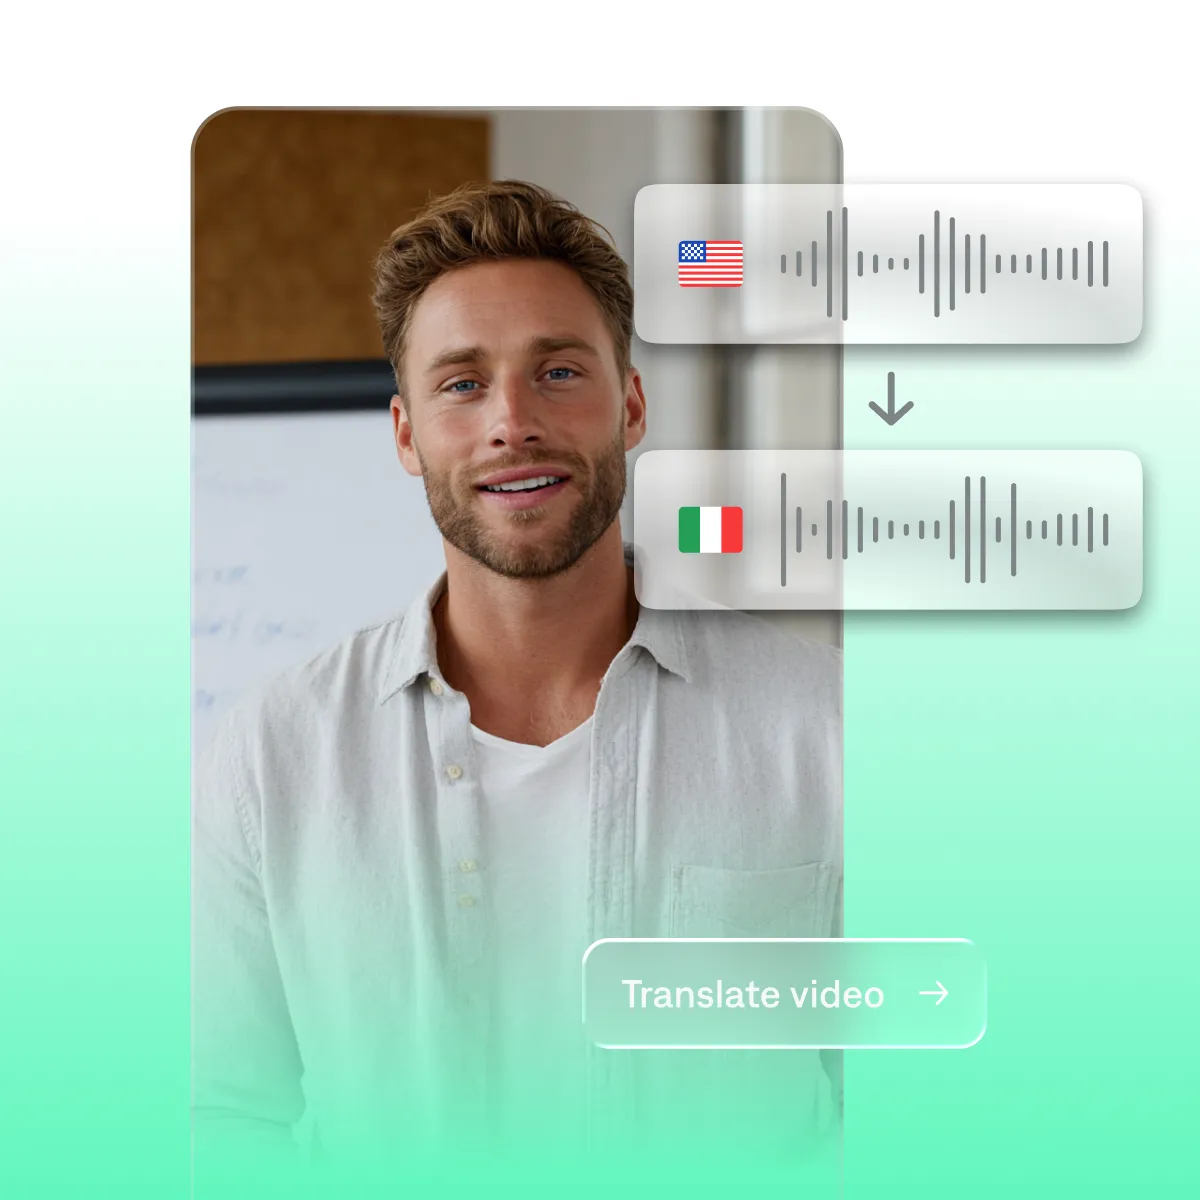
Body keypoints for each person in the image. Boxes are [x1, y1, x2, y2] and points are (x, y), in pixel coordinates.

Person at [192, 180, 842, 1186]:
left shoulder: (828, 729)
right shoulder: (270, 756)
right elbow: (222, 1120)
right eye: (462, 384)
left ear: (629, 406)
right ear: (407, 436)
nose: (513, 422)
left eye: (559, 371)